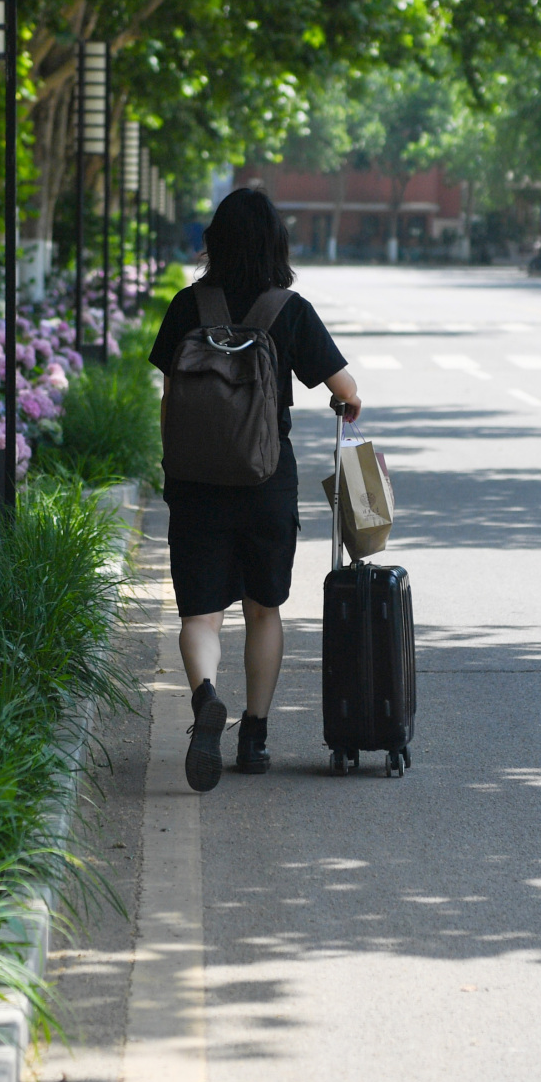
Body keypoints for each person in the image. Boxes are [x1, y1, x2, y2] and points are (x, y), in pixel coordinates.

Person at [148, 188, 362, 791]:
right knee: (264, 609)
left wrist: (174, 472)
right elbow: (345, 388)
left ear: (213, 243)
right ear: (277, 245)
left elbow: (171, 400)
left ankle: (206, 698)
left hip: (194, 483)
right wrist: (347, 403)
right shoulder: (287, 310)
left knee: (200, 613)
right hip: (266, 481)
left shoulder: (187, 306)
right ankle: (256, 736)